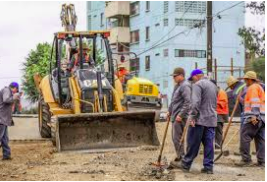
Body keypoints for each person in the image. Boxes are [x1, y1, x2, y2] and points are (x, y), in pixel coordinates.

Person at [176, 69, 217, 174]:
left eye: (192, 79)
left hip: (199, 119)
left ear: (196, 76)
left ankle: (186, 164)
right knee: (209, 144)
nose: (192, 81)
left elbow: (195, 102)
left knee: (193, 142)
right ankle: (208, 167)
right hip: (211, 119)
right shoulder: (213, 85)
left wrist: (193, 117)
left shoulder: (198, 85)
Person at [235, 71, 265, 167]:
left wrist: (254, 115)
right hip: (262, 117)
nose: (244, 81)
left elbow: (254, 102)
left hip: (254, 117)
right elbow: (253, 102)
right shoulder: (259, 87)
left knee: (245, 137)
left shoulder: (252, 88)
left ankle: (246, 160)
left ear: (249, 79)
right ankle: (262, 161)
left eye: (245, 79)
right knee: (260, 139)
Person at [167, 68, 191, 166]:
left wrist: (180, 115)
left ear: (181, 75)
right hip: (175, 115)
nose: (174, 78)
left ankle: (182, 157)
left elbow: (188, 102)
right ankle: (180, 155)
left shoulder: (185, 86)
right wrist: (169, 111)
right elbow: (174, 101)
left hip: (180, 117)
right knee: (175, 138)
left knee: (178, 138)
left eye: (175, 76)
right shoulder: (177, 86)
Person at [226, 76, 247, 155]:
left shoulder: (235, 91)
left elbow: (238, 106)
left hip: (246, 113)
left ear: (232, 85)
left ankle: (242, 151)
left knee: (244, 133)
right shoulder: (245, 84)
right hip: (257, 111)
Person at [0, 82, 17, 160]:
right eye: (16, 90)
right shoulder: (7, 90)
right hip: (1, 119)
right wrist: (14, 97)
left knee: (5, 139)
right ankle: (6, 155)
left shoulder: (7, 91)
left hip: (4, 119)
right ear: (15, 88)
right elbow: (6, 99)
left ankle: (6, 155)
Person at [211, 80, 229, 149]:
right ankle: (216, 144)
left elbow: (222, 103)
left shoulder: (221, 92)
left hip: (220, 114)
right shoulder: (216, 91)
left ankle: (218, 145)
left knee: (218, 130)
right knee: (215, 130)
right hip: (216, 113)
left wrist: (211, 102)